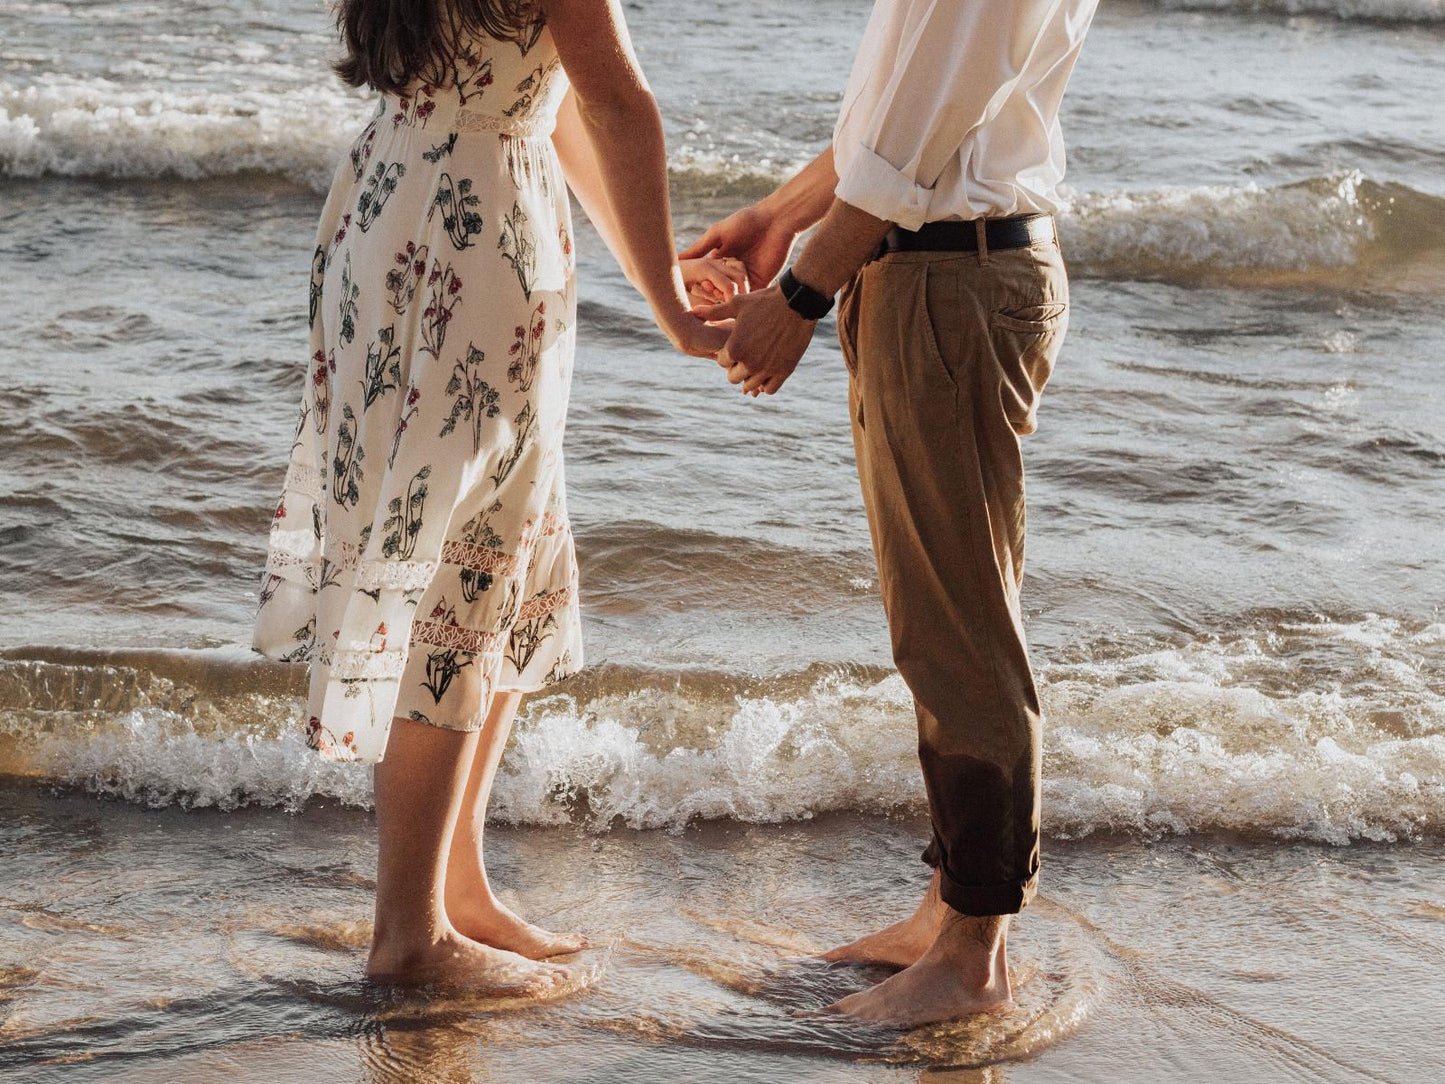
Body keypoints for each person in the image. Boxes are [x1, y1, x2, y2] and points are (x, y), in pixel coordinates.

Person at [252, 0, 735, 991]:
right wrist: (677, 314)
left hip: (393, 200)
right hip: (473, 240)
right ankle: (409, 934)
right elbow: (618, 104)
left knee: (489, 543)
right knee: (462, 562)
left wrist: (657, 280)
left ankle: (452, 886)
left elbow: (552, 102)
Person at [686, 0, 1099, 1026]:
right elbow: (905, 119)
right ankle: (949, 913)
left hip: (949, 277)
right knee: (934, 620)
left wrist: (799, 291)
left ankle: (971, 959)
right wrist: (783, 213)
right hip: (934, 266)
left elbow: (913, 139)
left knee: (960, 630)